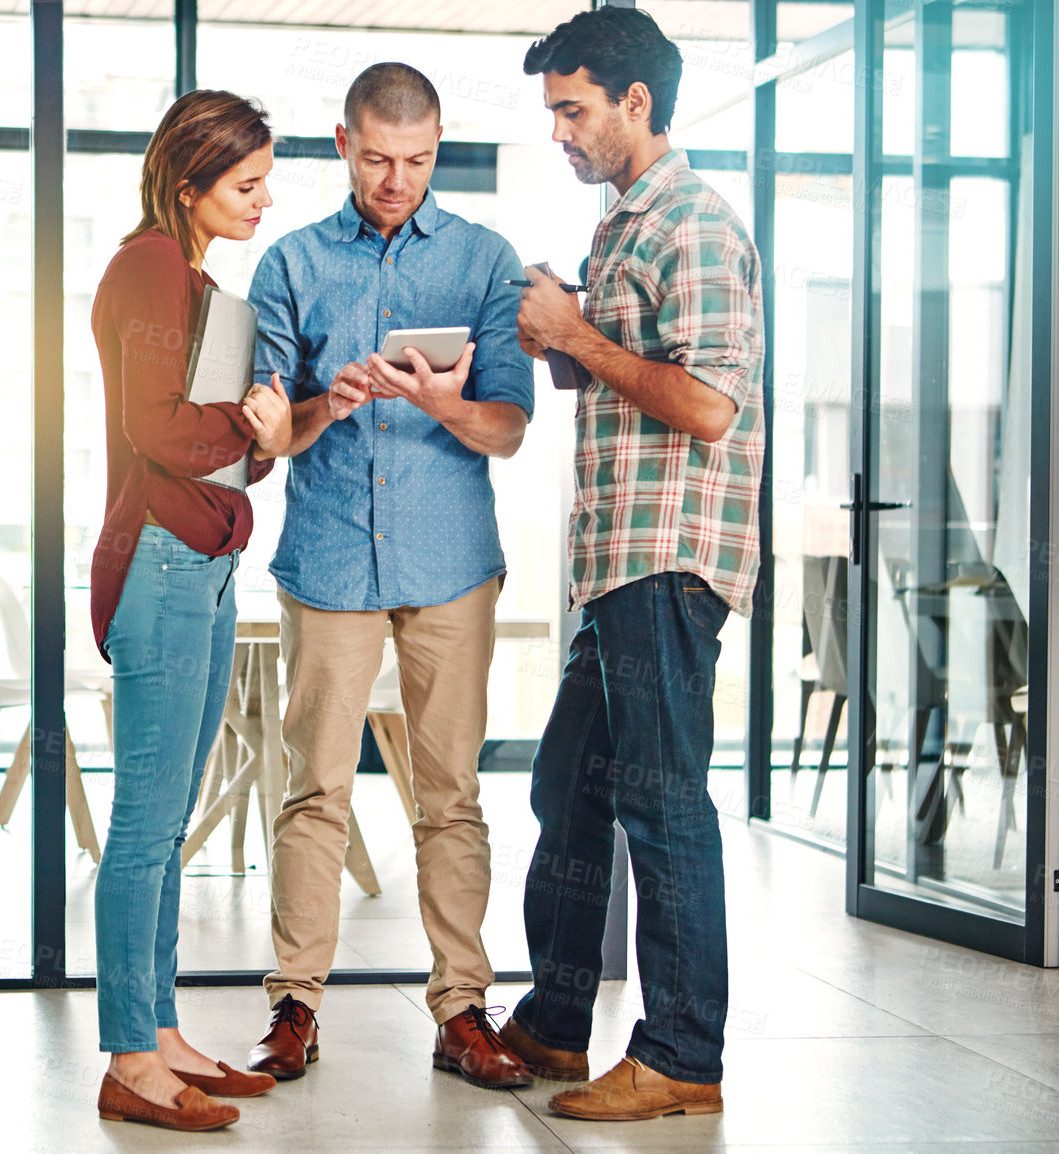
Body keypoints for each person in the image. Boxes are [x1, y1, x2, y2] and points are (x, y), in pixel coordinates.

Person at [242, 63, 535, 1091]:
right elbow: (265, 438)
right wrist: (331, 398)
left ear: (437, 148)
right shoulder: (288, 263)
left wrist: (440, 399)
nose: (395, 179)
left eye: (415, 161)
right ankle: (293, 1006)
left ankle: (461, 1008)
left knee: (449, 795)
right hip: (327, 557)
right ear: (342, 144)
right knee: (314, 786)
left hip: (449, 560)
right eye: (376, 159)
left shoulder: (485, 261)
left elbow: (506, 428)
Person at [500, 6, 765, 1123]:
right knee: (569, 784)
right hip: (612, 562)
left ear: (634, 104)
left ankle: (679, 1052)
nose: (558, 132)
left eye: (571, 109)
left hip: (665, 559)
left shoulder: (692, 223)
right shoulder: (623, 223)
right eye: (553, 111)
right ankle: (559, 1021)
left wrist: (576, 337)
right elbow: (627, 378)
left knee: (661, 805)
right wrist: (559, 340)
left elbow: (707, 403)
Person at [87, 89, 295, 1133]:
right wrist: (252, 428)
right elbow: (160, 428)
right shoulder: (149, 267)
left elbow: (226, 443)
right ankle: (128, 1055)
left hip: (206, 561)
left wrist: (266, 433)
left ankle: (160, 1030)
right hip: (162, 560)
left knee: (167, 822)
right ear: (188, 185)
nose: (264, 200)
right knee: (142, 826)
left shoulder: (197, 277)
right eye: (246, 184)